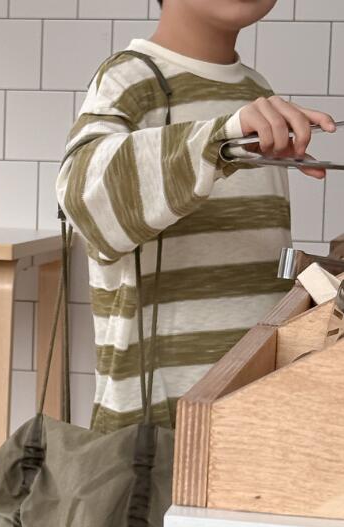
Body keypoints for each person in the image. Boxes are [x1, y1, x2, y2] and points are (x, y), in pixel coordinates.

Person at [57, 0, 336, 434]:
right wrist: (219, 139)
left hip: (251, 405)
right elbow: (83, 200)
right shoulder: (131, 78)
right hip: (157, 429)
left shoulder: (255, 90)